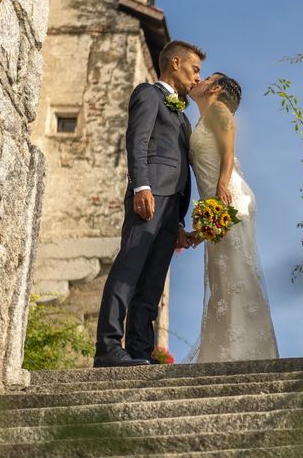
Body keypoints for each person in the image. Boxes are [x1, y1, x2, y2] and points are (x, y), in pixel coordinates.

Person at [93, 40, 203, 367]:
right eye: (194, 69)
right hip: (150, 196)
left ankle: (140, 350)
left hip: (172, 209)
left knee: (153, 281)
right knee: (129, 268)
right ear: (175, 63)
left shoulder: (182, 118)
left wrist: (179, 223)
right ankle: (108, 347)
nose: (198, 77)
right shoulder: (148, 94)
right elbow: (137, 140)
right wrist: (141, 185)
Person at [185, 72, 279, 362]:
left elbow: (228, 150)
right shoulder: (202, 118)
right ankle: (227, 351)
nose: (197, 79)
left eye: (206, 78)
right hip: (217, 201)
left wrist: (222, 185)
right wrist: (201, 231)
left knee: (236, 272)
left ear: (215, 88)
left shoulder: (218, 109)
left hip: (229, 197)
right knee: (223, 276)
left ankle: (245, 352)